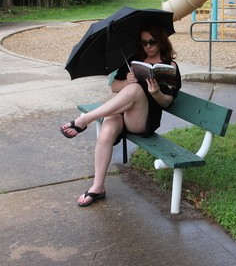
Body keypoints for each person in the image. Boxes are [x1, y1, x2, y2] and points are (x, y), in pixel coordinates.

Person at [60, 23, 182, 207]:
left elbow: (167, 102)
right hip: (122, 114)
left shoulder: (169, 66)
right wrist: (125, 81)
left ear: (161, 42)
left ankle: (85, 119)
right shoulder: (134, 61)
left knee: (134, 90)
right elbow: (114, 87)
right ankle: (97, 186)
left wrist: (156, 93)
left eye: (152, 42)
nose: (147, 46)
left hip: (142, 121)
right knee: (107, 129)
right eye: (143, 43)